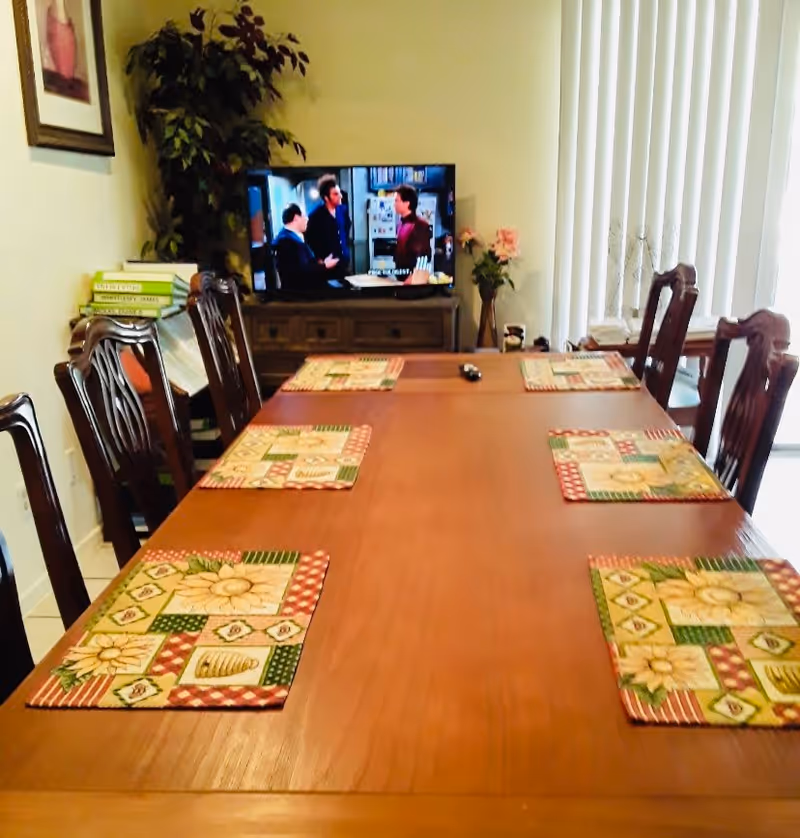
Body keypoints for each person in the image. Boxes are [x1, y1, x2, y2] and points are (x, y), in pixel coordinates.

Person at [272, 204, 339, 296]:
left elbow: (305, 262)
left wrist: (322, 263)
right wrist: (325, 266)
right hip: (300, 293)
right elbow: (299, 271)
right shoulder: (285, 241)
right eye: (304, 216)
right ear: (296, 218)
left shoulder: (293, 236)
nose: (307, 219)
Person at [306, 174, 352, 277]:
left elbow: (346, 228)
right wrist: (319, 260)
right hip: (327, 266)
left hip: (344, 263)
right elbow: (309, 239)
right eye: (335, 194)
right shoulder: (315, 217)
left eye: (339, 193)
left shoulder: (343, 211)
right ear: (326, 198)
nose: (340, 196)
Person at [393, 184, 432, 276]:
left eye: (396, 201)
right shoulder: (400, 224)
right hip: (400, 278)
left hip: (413, 280)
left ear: (407, 203)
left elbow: (424, 258)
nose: (394, 204)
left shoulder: (420, 225)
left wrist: (412, 279)